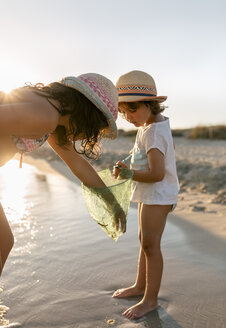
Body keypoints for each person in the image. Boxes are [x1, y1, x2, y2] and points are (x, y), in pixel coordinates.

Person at [0, 73, 126, 275]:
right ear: (89, 116)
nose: (90, 135)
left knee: (4, 243)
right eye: (96, 129)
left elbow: (79, 165)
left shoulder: (52, 115)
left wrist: (112, 203)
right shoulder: (46, 117)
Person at [112, 70, 179, 319]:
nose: (128, 117)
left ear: (149, 104)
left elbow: (157, 173)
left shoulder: (153, 130)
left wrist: (129, 174)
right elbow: (142, 155)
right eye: (123, 112)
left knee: (151, 245)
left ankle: (150, 299)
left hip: (158, 193)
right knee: (145, 241)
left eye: (132, 110)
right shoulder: (149, 125)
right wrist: (128, 163)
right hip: (150, 192)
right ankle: (140, 286)